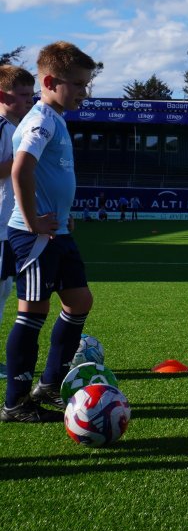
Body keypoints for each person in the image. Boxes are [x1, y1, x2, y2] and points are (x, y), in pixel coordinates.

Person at [1, 42, 97, 423]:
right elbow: (20, 167)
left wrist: (60, 213)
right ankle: (15, 402)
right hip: (37, 236)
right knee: (33, 313)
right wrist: (35, 219)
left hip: (57, 231)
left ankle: (50, 384)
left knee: (80, 301)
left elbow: (44, 176)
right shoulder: (41, 119)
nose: (83, 93)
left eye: (85, 85)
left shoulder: (55, 117)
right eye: (77, 84)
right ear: (50, 81)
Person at [0, 65, 36, 380]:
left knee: (5, 289)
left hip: (8, 227)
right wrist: (25, 160)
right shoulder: (3, 127)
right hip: (0, 226)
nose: (29, 100)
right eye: (22, 95)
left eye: (30, 94)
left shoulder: (16, 127)